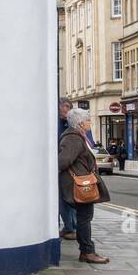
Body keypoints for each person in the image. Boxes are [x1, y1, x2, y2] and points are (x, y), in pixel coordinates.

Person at [58, 107, 111, 264]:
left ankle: (87, 251)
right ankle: (87, 252)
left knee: (85, 218)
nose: (90, 122)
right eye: (88, 120)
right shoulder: (73, 138)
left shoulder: (78, 136)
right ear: (80, 123)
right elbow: (62, 161)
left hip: (82, 183)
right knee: (84, 218)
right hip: (80, 185)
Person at [57, 98, 78, 240]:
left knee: (71, 198)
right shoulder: (55, 122)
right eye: (65, 106)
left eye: (69, 107)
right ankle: (69, 227)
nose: (67, 109)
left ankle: (72, 227)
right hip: (61, 167)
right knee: (62, 199)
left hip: (69, 168)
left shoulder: (72, 124)